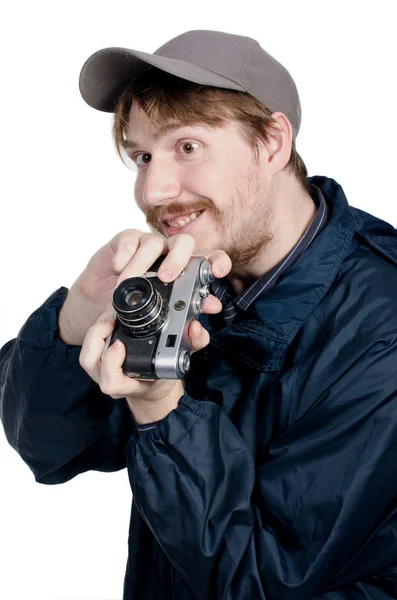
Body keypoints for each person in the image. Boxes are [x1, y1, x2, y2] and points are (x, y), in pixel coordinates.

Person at [1, 29, 397, 600]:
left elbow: (261, 582)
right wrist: (77, 315)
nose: (153, 191)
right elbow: (50, 450)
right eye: (142, 156)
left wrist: (160, 408)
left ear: (272, 143)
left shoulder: (379, 322)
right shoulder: (189, 279)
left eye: (187, 147)